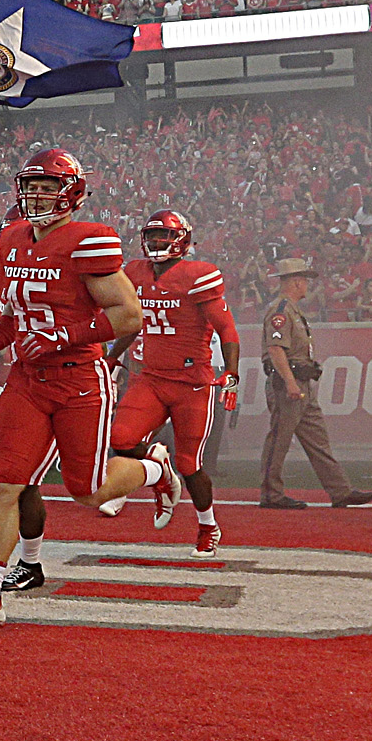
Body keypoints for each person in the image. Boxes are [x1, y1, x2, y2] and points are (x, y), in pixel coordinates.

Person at [0, 147, 173, 631]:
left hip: (78, 378)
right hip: (28, 380)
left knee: (89, 491)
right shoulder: (12, 238)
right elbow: (5, 305)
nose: (36, 194)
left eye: (47, 186)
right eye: (30, 185)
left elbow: (129, 315)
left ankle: (154, 471)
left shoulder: (88, 241)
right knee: (4, 483)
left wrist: (63, 334)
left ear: (70, 192)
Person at [109, 208, 240, 551]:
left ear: (182, 242)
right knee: (121, 439)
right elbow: (131, 321)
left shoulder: (198, 275)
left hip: (191, 383)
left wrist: (232, 370)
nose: (157, 243)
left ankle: (208, 526)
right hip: (151, 378)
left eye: (165, 237)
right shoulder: (135, 272)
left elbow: (226, 327)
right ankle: (160, 473)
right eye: (152, 237)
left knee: (190, 463)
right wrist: (110, 357)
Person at [258, 258, 370, 511]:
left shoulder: (292, 310)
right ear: (296, 282)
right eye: (304, 280)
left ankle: (340, 491)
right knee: (279, 440)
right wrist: (289, 383)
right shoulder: (281, 311)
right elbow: (276, 350)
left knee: (318, 440)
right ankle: (271, 494)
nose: (307, 285)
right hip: (290, 383)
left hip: (303, 382)